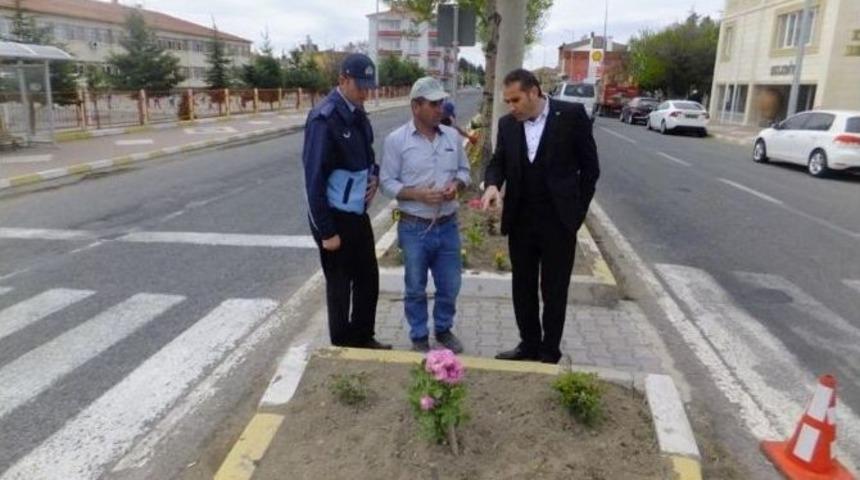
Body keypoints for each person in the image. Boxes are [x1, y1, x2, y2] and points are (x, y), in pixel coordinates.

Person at [481, 68, 600, 364]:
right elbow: (498, 162)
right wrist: (493, 184)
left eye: (516, 99)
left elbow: (591, 169)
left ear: (534, 92)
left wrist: (576, 213)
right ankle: (528, 344)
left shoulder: (571, 116)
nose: (511, 106)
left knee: (554, 289)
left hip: (559, 222)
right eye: (507, 101)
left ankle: (549, 351)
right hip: (521, 219)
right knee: (522, 286)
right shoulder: (507, 125)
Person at [302, 53, 391, 350]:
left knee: (368, 278)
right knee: (340, 286)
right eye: (360, 86)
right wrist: (327, 232)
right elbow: (313, 179)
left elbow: (368, 154)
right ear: (343, 80)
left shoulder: (358, 112)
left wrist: (375, 175)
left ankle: (363, 337)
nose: (366, 92)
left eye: (369, 86)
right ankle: (342, 346)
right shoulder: (324, 118)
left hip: (357, 213)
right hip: (334, 218)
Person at [380, 77, 471, 353]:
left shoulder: (453, 137)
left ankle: (443, 328)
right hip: (413, 226)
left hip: (447, 225)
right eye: (433, 104)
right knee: (416, 286)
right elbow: (386, 182)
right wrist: (417, 194)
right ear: (415, 106)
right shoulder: (397, 140)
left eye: (441, 102)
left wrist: (456, 186)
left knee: (450, 284)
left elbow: (465, 172)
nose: (440, 108)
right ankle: (419, 334)